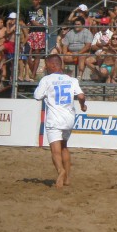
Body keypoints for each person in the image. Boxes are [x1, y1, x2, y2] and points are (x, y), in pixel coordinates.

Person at [33, 55, 87, 188]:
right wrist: (82, 105)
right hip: (68, 118)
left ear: (52, 65)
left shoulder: (47, 79)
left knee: (55, 150)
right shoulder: (72, 79)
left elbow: (37, 96)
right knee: (64, 147)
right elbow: (81, 95)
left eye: (46, 65)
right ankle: (67, 178)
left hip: (54, 118)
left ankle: (60, 170)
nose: (45, 67)